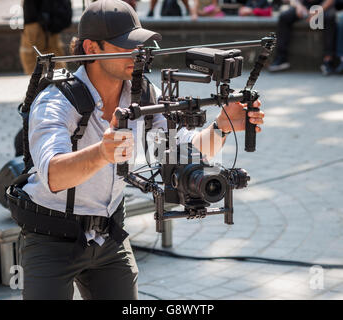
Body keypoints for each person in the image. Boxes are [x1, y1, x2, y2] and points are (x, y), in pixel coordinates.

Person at [17, 0, 265, 300]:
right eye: (125, 46)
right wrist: (101, 153)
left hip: (108, 233)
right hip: (50, 235)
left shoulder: (143, 92)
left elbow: (179, 151)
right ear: (91, 49)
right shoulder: (55, 100)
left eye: (138, 44)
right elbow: (52, 175)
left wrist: (222, 125)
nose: (137, 53)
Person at [268, 0, 336, 75]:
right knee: (284, 17)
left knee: (330, 17)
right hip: (304, 6)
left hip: (323, 6)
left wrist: (317, 11)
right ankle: (281, 58)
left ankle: (328, 60)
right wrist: (298, 6)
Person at [19, 0, 71, 74]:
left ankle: (42, 80)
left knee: (30, 56)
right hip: (48, 22)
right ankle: (60, 77)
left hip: (37, 22)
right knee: (53, 55)